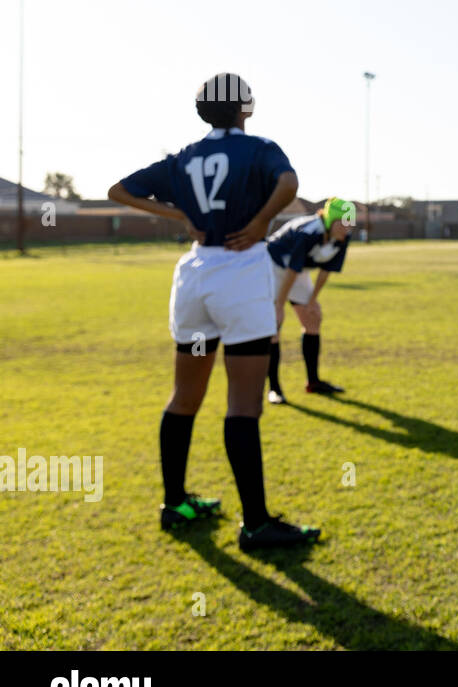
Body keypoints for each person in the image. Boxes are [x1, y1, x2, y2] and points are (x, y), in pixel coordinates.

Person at [107, 73, 321, 552]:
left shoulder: (183, 157)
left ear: (201, 111)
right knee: (243, 405)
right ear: (246, 106)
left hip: (195, 281)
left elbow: (117, 191)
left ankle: (175, 503)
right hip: (241, 279)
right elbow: (289, 182)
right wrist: (262, 221)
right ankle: (257, 524)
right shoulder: (260, 146)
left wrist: (181, 217)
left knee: (184, 397)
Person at [264, 197, 355, 403]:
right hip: (272, 268)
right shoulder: (308, 231)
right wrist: (279, 305)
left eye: (351, 223)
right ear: (331, 220)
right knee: (273, 326)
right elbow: (291, 269)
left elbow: (326, 270)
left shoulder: (343, 236)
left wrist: (312, 299)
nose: (348, 228)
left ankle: (313, 382)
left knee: (313, 318)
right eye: (344, 222)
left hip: (297, 272)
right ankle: (274, 389)